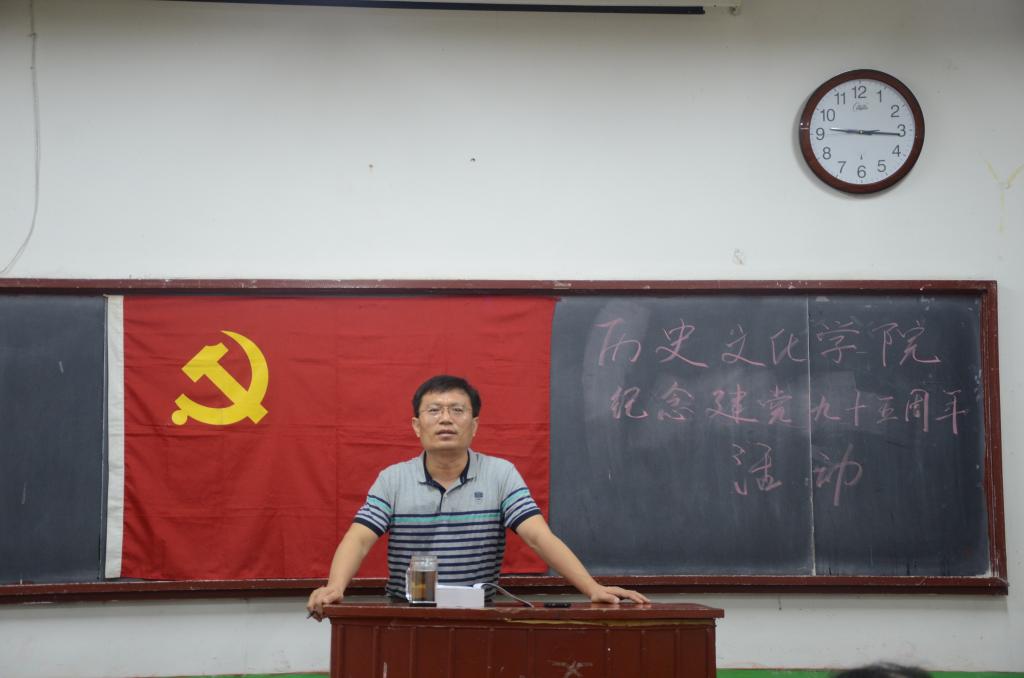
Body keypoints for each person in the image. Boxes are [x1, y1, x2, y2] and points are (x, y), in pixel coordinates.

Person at [307, 374, 649, 618]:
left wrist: (591, 588)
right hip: (407, 614)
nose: (445, 419)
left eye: (457, 410)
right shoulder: (393, 479)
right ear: (416, 425)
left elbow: (538, 537)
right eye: (434, 410)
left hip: (479, 617)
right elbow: (359, 539)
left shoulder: (500, 474)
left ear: (474, 425)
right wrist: (335, 587)